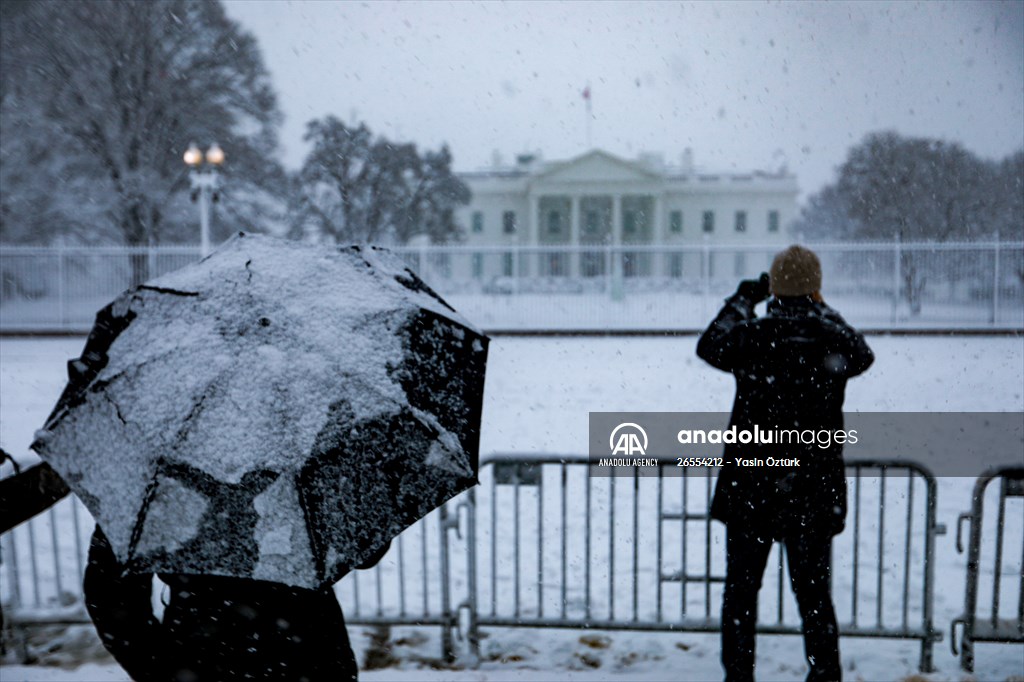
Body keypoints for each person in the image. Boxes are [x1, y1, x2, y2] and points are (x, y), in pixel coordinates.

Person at [696, 245, 873, 682]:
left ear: (773, 285)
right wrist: (818, 305)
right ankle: (825, 673)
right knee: (813, 595)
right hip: (812, 487)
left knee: (740, 594)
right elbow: (861, 352)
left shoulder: (753, 335)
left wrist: (743, 300)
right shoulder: (830, 338)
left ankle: (739, 675)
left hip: (751, 486)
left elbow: (709, 345)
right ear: (816, 288)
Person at [84, 525, 390, 681]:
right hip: (308, 652)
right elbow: (364, 548)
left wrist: (155, 666)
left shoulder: (159, 467)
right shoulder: (301, 442)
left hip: (203, 655)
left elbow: (111, 590)